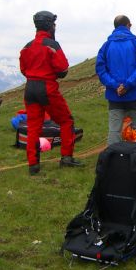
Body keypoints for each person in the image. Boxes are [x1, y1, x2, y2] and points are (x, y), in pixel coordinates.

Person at [19, 11, 83, 175]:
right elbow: (63, 69)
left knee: (33, 127)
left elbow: (23, 69)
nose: (55, 26)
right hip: (46, 88)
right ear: (49, 25)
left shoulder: (27, 46)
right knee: (66, 120)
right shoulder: (52, 45)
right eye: (54, 24)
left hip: (30, 88)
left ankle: (33, 165)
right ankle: (66, 158)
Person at [95, 15, 136, 157]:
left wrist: (116, 86)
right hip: (135, 95)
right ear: (129, 25)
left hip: (115, 96)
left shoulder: (106, 46)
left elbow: (101, 70)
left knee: (114, 130)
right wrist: (128, 85)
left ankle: (112, 158)